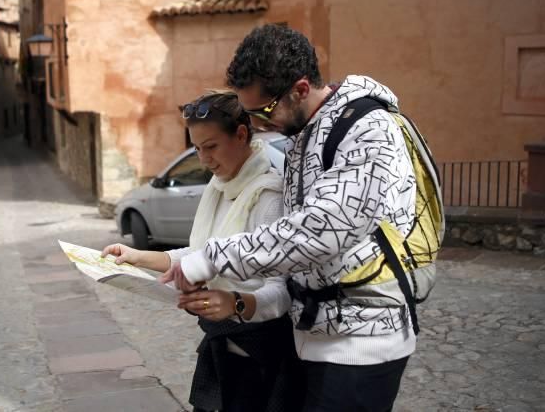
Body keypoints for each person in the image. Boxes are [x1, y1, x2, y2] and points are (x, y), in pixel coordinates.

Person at [162, 24, 418, 412]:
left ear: (300, 89)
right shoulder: (305, 134)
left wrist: (212, 257)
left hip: (362, 340)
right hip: (314, 338)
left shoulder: (369, 129)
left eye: (264, 111)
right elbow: (292, 269)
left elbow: (321, 230)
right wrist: (240, 301)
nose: (260, 126)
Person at [102, 91, 302, 412]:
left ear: (240, 135)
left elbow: (282, 292)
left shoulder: (269, 197)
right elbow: (200, 254)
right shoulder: (219, 187)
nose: (204, 159)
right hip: (221, 348)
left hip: (260, 356)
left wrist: (234, 303)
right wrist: (135, 256)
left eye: (211, 146)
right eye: (197, 148)